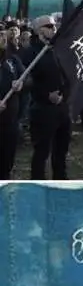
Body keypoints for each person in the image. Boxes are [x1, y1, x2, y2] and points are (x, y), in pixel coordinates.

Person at [21, 15, 71, 179]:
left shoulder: (57, 48)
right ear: (38, 30)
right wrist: (45, 95)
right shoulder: (31, 52)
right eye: (49, 26)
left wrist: (64, 94)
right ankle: (37, 183)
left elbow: (67, 74)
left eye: (54, 25)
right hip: (42, 108)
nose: (53, 28)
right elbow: (26, 81)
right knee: (42, 152)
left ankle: (61, 181)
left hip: (62, 107)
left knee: (61, 150)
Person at [0, 32, 24, 179]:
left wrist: (21, 83)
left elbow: (27, 77)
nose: (3, 39)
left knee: (6, 163)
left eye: (3, 36)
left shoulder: (12, 60)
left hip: (10, 122)